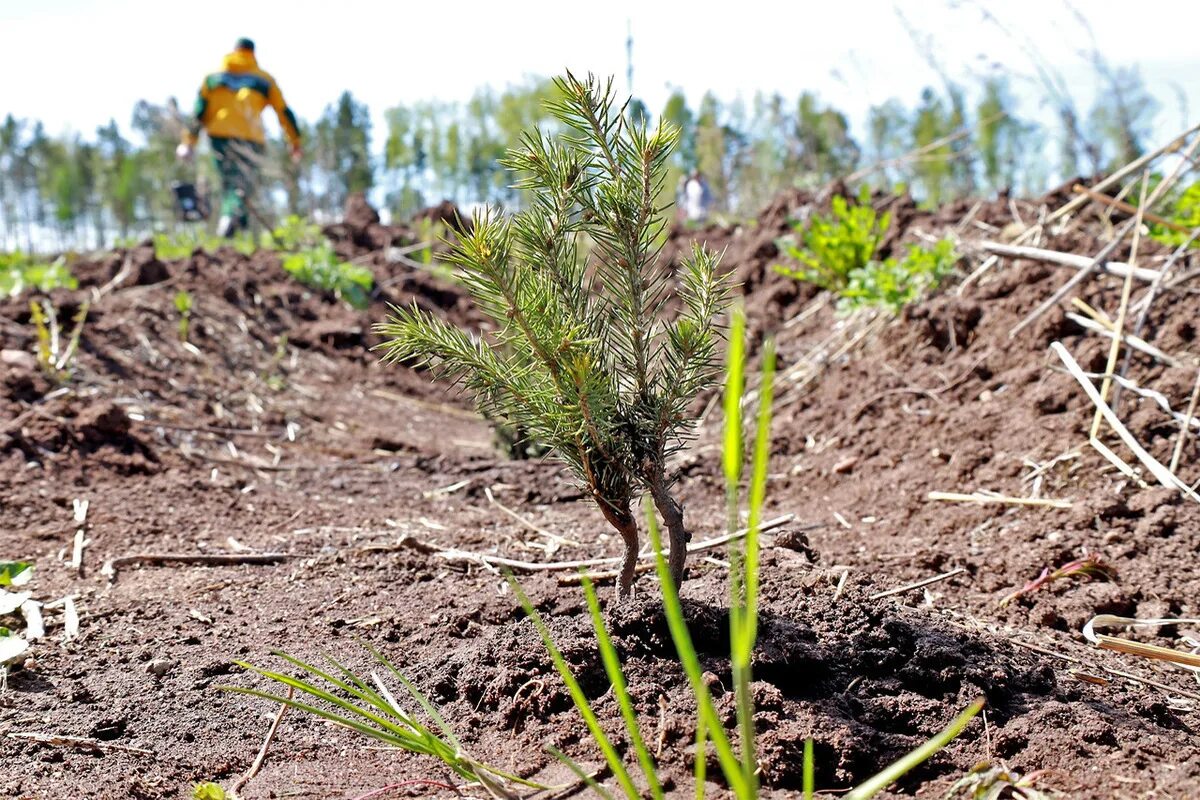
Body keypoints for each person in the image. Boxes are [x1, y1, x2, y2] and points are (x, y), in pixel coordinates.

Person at [176, 38, 302, 237]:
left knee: (230, 183)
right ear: (253, 53)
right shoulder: (264, 79)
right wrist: (295, 141)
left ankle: (234, 234)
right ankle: (230, 223)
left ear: (234, 51)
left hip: (220, 137)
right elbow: (284, 112)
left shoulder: (213, 78)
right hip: (251, 138)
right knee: (244, 185)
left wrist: (188, 143)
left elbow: (199, 112)